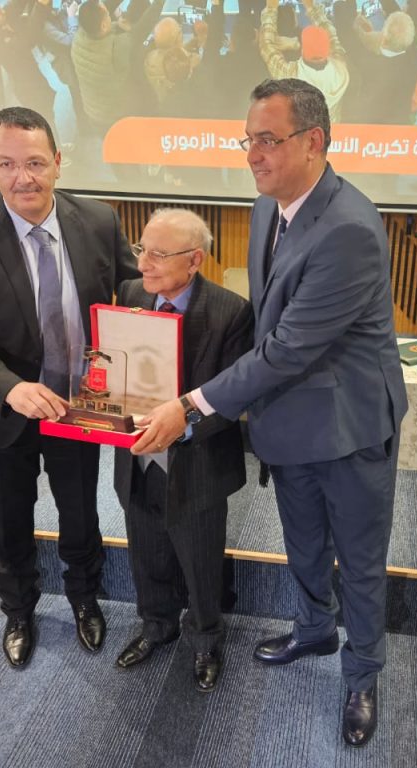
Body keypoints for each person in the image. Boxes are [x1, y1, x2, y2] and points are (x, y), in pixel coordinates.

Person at [132, 78, 408, 747]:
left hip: (348, 427)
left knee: (359, 562)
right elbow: (266, 327)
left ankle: (362, 675)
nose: (252, 154)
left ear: (313, 142)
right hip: (286, 422)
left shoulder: (349, 229)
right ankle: (314, 630)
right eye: (247, 139)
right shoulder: (267, 208)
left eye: (267, 140)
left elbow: (285, 349)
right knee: (304, 543)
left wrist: (191, 405)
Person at [0, 106, 139, 668]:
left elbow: (135, 291)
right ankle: (19, 609)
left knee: (81, 514)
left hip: (78, 407)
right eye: (7, 164)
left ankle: (85, 598)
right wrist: (9, 387)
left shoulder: (98, 220)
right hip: (1, 411)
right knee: (11, 519)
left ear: (59, 161)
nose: (23, 178)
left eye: (36, 163)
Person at [112, 208, 253, 693]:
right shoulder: (132, 293)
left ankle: (206, 639)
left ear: (194, 260)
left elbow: (232, 399)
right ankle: (157, 625)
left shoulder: (231, 312)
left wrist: (182, 428)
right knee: (146, 547)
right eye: (141, 249)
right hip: (137, 454)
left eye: (157, 254)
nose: (143, 264)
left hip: (197, 461)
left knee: (200, 560)